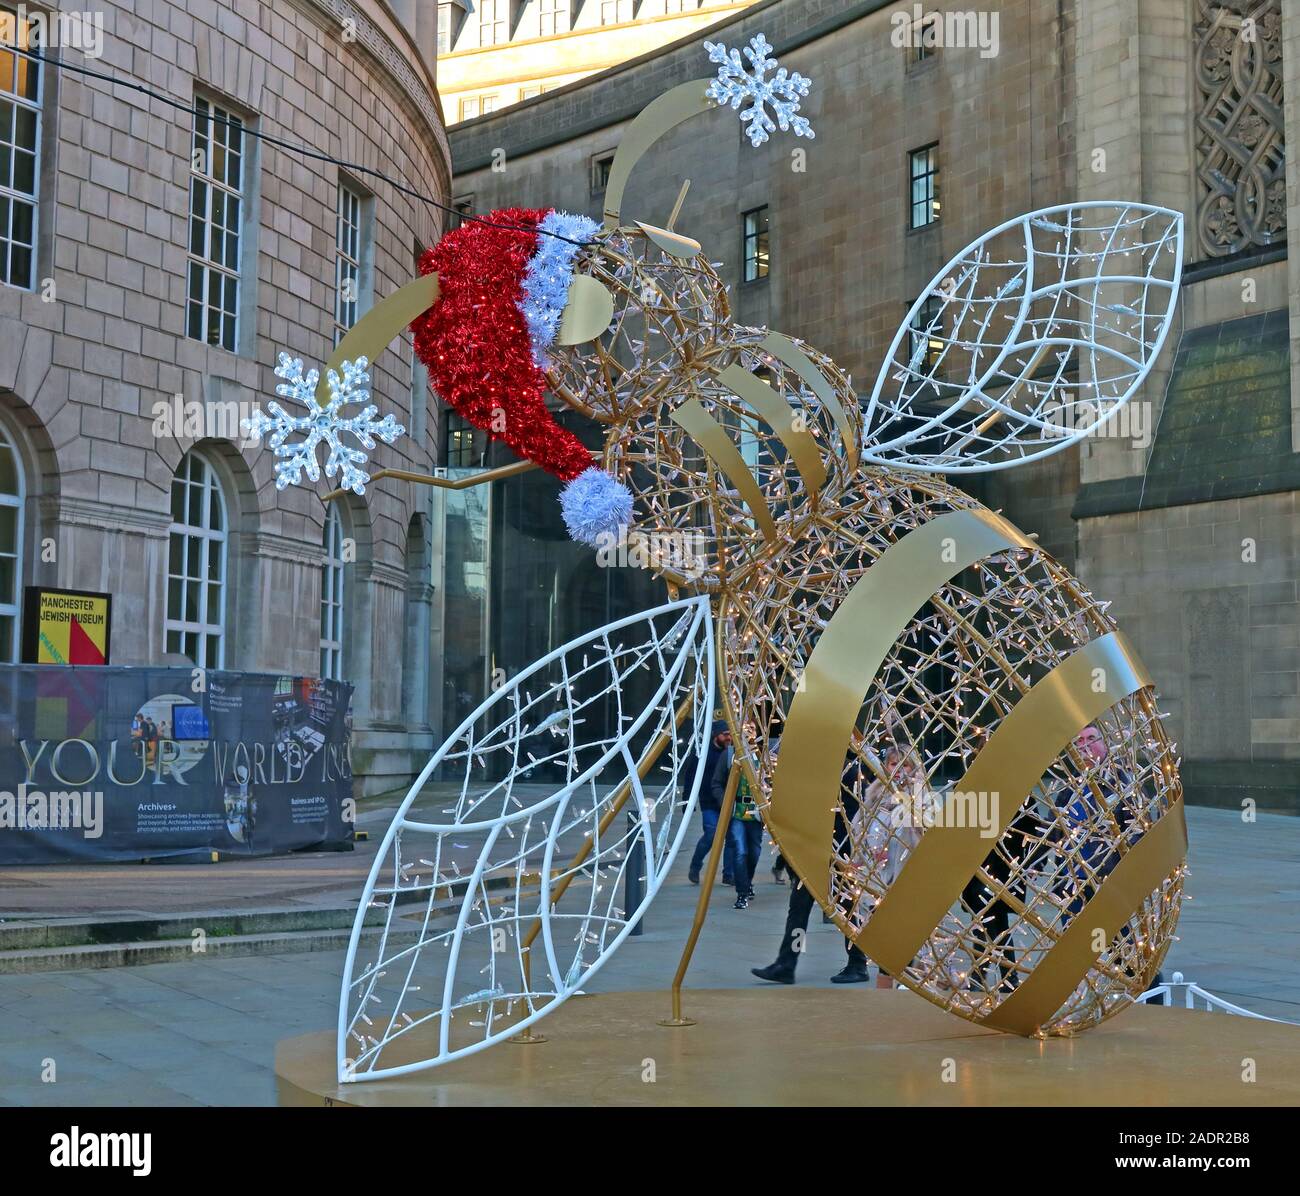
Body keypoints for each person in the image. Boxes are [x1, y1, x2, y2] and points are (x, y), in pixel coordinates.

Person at [751, 749, 871, 983]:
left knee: (848, 911)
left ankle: (857, 962)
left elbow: (850, 818)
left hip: (838, 856)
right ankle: (787, 962)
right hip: (814, 855)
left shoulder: (849, 774)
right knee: (799, 912)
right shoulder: (820, 775)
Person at [686, 721, 739, 886]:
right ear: (716, 735)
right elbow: (690, 775)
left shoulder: (733, 753)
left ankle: (728, 874)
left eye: (730, 734)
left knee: (731, 838)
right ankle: (695, 866)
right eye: (725, 734)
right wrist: (687, 799)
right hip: (709, 801)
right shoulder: (703, 753)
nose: (728, 737)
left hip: (728, 801)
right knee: (711, 835)